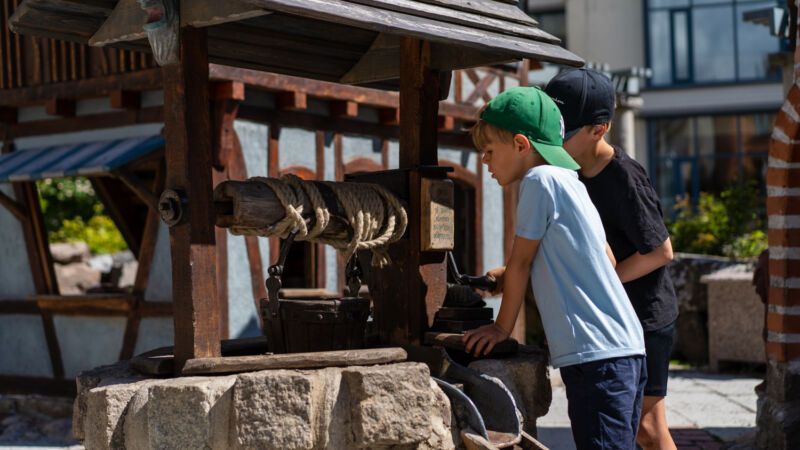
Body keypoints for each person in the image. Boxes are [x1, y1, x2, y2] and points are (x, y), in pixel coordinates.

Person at [462, 86, 646, 449]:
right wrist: (512, 276)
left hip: (595, 356)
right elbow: (605, 259)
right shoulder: (572, 183)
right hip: (626, 347)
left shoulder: (538, 181)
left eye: (489, 151)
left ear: (520, 144)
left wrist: (501, 328)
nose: (484, 161)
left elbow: (521, 262)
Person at [545, 68, 679, 450]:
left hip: (647, 316)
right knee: (632, 427)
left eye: (565, 132)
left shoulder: (624, 177)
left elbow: (661, 251)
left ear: (599, 129)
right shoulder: (568, 173)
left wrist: (602, 282)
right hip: (613, 318)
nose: (556, 140)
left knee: (647, 428)